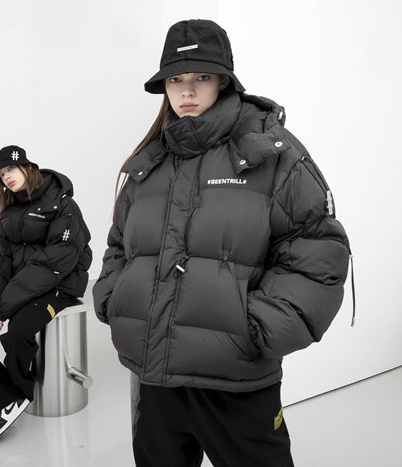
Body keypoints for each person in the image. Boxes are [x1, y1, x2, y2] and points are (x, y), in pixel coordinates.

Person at [92, 19, 351, 467]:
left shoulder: (270, 153)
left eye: (202, 77)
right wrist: (114, 299)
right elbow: (120, 246)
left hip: (235, 382)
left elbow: (318, 252)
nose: (187, 91)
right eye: (175, 79)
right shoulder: (149, 164)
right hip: (154, 377)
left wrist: (254, 328)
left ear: (224, 81)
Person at [0, 145, 92, 444]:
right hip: (23, 283)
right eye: (1, 174)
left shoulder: (63, 204)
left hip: (60, 283)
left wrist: (4, 306)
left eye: (11, 169)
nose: (7, 177)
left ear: (27, 168)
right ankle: (5, 398)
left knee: (19, 330)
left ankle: (19, 390)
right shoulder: (10, 211)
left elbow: (58, 260)